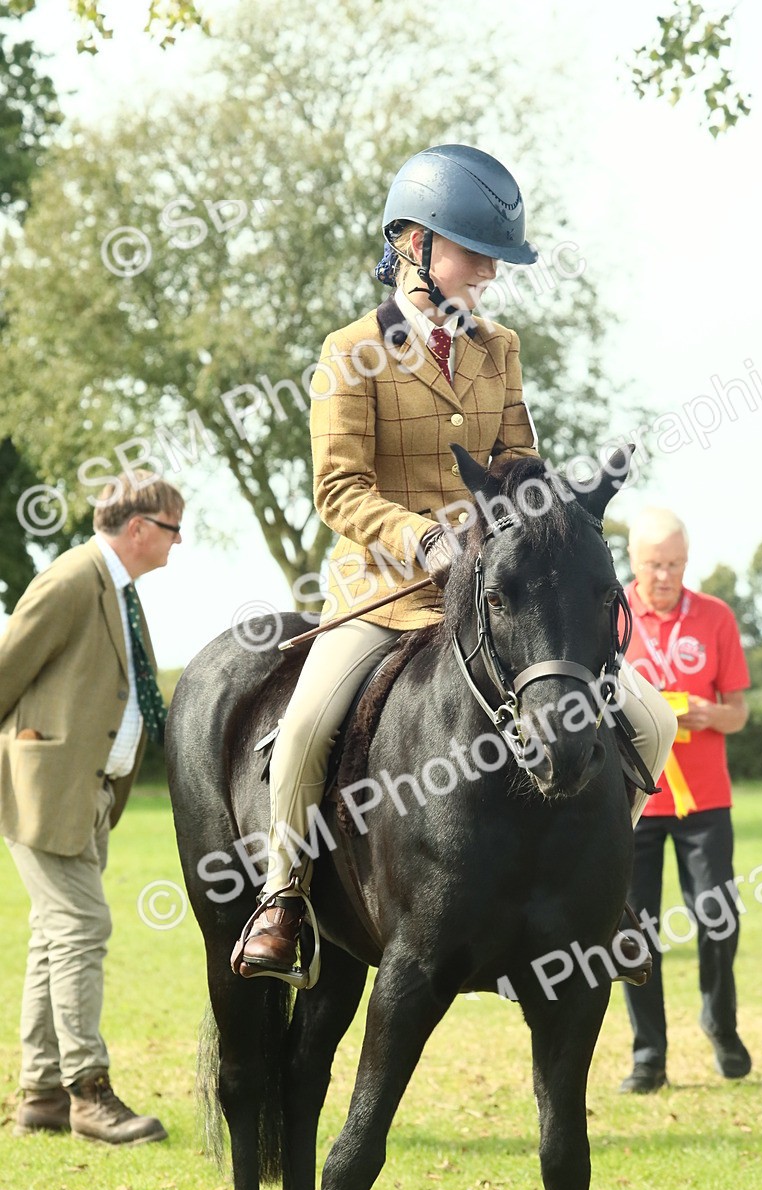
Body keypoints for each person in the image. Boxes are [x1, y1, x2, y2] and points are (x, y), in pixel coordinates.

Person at [230, 143, 677, 984]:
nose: (490, 274)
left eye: (494, 259)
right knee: (301, 735)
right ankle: (284, 899)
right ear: (415, 244)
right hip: (384, 595)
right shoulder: (349, 351)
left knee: (650, 721)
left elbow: (520, 466)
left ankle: (601, 889)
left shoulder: (497, 348)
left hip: (495, 601)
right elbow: (338, 488)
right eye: (478, 254)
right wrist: (425, 540)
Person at [0, 471, 184, 1142]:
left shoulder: (115, 587)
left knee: (54, 941)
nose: (179, 539)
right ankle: (89, 1094)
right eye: (172, 527)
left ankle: (42, 1096)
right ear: (138, 529)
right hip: (46, 789)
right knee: (81, 928)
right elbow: (6, 670)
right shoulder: (73, 579)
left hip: (91, 794)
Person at [619, 507, 751, 1094]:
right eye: (654, 564)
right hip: (633, 800)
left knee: (718, 921)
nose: (665, 575)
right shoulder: (610, 612)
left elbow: (740, 712)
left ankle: (720, 1022)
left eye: (675, 564)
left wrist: (708, 713)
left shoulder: (717, 616)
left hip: (705, 803)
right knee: (635, 932)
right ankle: (649, 1056)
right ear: (633, 561)